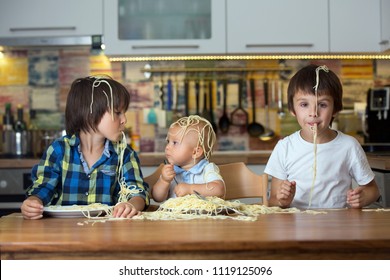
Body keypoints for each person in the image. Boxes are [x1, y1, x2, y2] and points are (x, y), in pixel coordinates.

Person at [21, 76, 150, 219]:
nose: (124, 119)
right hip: (61, 231)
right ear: (90, 113)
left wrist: (131, 205)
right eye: (118, 112)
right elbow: (43, 188)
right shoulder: (59, 150)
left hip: (108, 232)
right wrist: (33, 202)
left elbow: (137, 193)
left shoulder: (124, 154)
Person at [264, 64, 380, 209]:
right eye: (304, 104)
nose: (313, 113)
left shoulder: (349, 146)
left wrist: (363, 198)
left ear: (335, 109)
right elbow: (273, 200)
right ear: (292, 109)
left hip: (337, 225)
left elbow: (373, 190)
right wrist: (282, 200)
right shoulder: (285, 147)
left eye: (322, 105)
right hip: (296, 228)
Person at [152, 115, 225, 202]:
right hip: (174, 215)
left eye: (174, 143)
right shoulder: (170, 171)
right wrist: (164, 180)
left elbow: (219, 189)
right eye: (168, 142)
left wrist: (190, 189)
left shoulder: (207, 169)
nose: (167, 147)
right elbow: (157, 198)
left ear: (195, 152)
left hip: (203, 215)